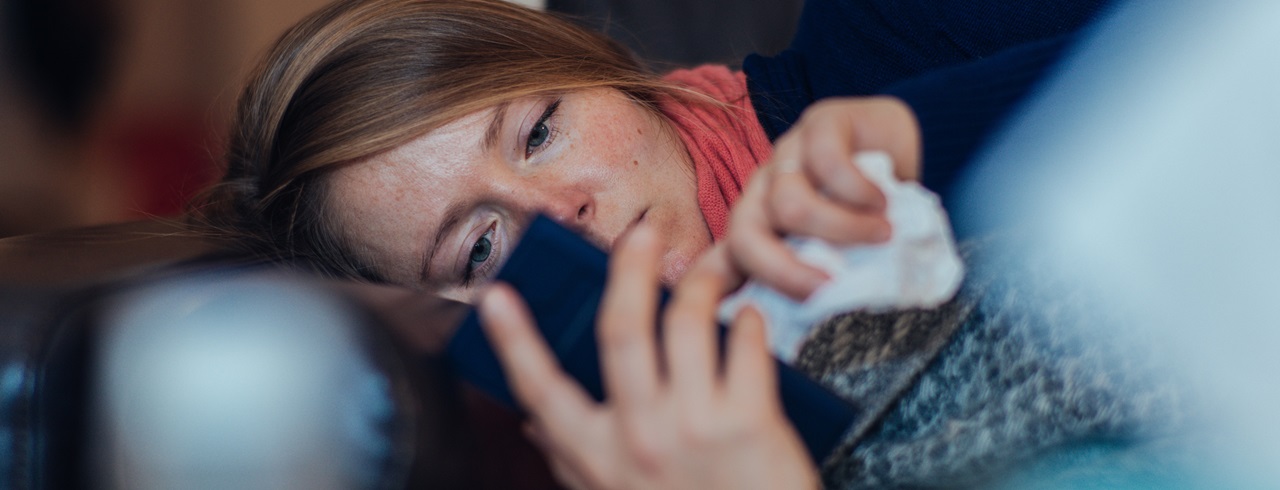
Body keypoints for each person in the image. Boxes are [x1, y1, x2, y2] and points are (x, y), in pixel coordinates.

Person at [195, 0, 1184, 488]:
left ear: (610, 72)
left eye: (538, 132)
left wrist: (923, 131)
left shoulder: (891, 28)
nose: (559, 211)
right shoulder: (649, 455)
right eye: (482, 248)